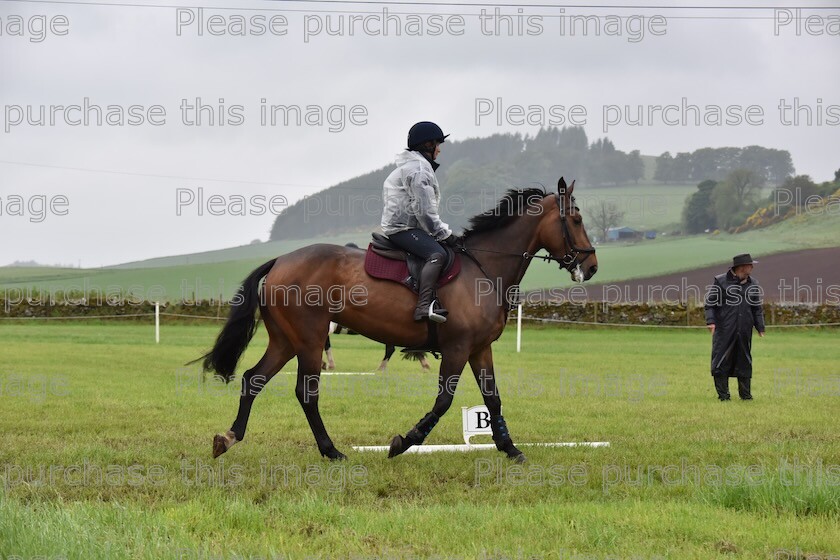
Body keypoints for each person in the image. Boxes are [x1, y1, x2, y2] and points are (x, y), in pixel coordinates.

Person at [381, 121, 462, 323]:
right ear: (428, 145)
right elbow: (424, 211)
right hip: (402, 228)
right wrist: (445, 234)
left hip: (407, 226)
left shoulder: (416, 167)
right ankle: (423, 307)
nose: (439, 150)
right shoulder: (418, 170)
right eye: (437, 145)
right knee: (437, 254)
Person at [704, 253, 766, 401]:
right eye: (750, 265)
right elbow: (710, 304)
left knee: (744, 361)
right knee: (721, 361)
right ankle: (723, 396)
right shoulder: (720, 281)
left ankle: (746, 396)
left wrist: (760, 326)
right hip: (724, 329)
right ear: (741, 267)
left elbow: (756, 308)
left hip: (744, 330)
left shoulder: (754, 284)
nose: (752, 267)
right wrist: (711, 321)